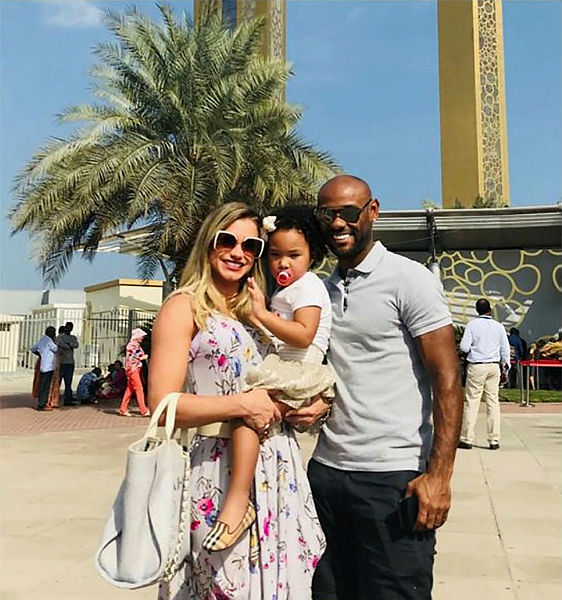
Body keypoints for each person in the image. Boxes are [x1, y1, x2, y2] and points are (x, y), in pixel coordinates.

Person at [286, 174, 463, 600]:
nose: (337, 223)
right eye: (327, 214)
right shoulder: (320, 291)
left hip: (393, 478)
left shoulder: (409, 279)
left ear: (373, 211)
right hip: (326, 474)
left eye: (348, 212)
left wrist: (439, 476)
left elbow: (447, 379)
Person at [148, 202, 325, 600]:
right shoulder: (184, 307)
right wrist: (242, 406)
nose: (237, 252)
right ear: (208, 243)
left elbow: (285, 376)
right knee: (223, 585)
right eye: (226, 240)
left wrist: (313, 408)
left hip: (277, 470)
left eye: (251, 246)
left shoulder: (258, 311)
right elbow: (162, 406)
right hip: (216, 471)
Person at [202, 205, 334, 553]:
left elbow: (303, 335)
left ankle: (238, 502)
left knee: (248, 416)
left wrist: (260, 313)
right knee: (249, 417)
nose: (283, 263)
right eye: (275, 255)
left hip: (299, 372)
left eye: (294, 255)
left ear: (313, 255)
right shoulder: (284, 290)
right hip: (287, 369)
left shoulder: (308, 286)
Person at [458, 298, 510, 450]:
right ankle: (494, 439)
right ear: (490, 310)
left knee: (472, 401)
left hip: (477, 365)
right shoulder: (499, 327)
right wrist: (506, 368)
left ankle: (467, 438)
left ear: (477, 310)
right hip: (494, 366)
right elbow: (505, 349)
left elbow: (464, 347)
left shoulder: (472, 325)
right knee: (493, 402)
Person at [117, 329, 149, 417]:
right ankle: (143, 410)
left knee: (130, 389)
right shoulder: (132, 345)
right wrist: (142, 357)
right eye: (141, 336)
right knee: (139, 388)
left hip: (135, 369)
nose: (142, 337)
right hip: (133, 369)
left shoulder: (135, 345)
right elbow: (134, 357)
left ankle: (123, 409)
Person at [30, 326, 59, 412]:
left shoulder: (42, 340)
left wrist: (39, 354)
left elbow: (33, 349)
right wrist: (55, 340)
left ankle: (41, 403)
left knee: (42, 385)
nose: (54, 334)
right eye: (54, 332)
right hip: (49, 366)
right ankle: (42, 404)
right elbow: (56, 349)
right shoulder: (49, 341)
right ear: (50, 333)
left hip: (43, 365)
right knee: (45, 386)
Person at [57, 322, 79, 406]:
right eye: (66, 327)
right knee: (58, 381)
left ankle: (68, 399)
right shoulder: (60, 337)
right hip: (61, 362)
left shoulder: (73, 337)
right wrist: (68, 346)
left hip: (70, 362)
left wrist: (69, 345)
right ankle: (56, 397)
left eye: (69, 327)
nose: (68, 329)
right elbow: (60, 344)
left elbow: (76, 345)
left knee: (68, 382)